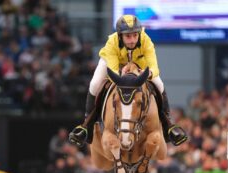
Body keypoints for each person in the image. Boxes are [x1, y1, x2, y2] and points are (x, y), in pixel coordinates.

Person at [69, 14, 187, 147]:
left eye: (135, 35)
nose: (132, 40)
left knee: (159, 84)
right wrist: (122, 72)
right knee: (95, 84)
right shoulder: (112, 42)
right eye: (128, 36)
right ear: (120, 36)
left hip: (140, 65)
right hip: (114, 64)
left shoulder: (146, 41)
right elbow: (112, 70)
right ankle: (86, 127)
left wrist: (147, 74)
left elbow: (154, 67)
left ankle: (169, 126)